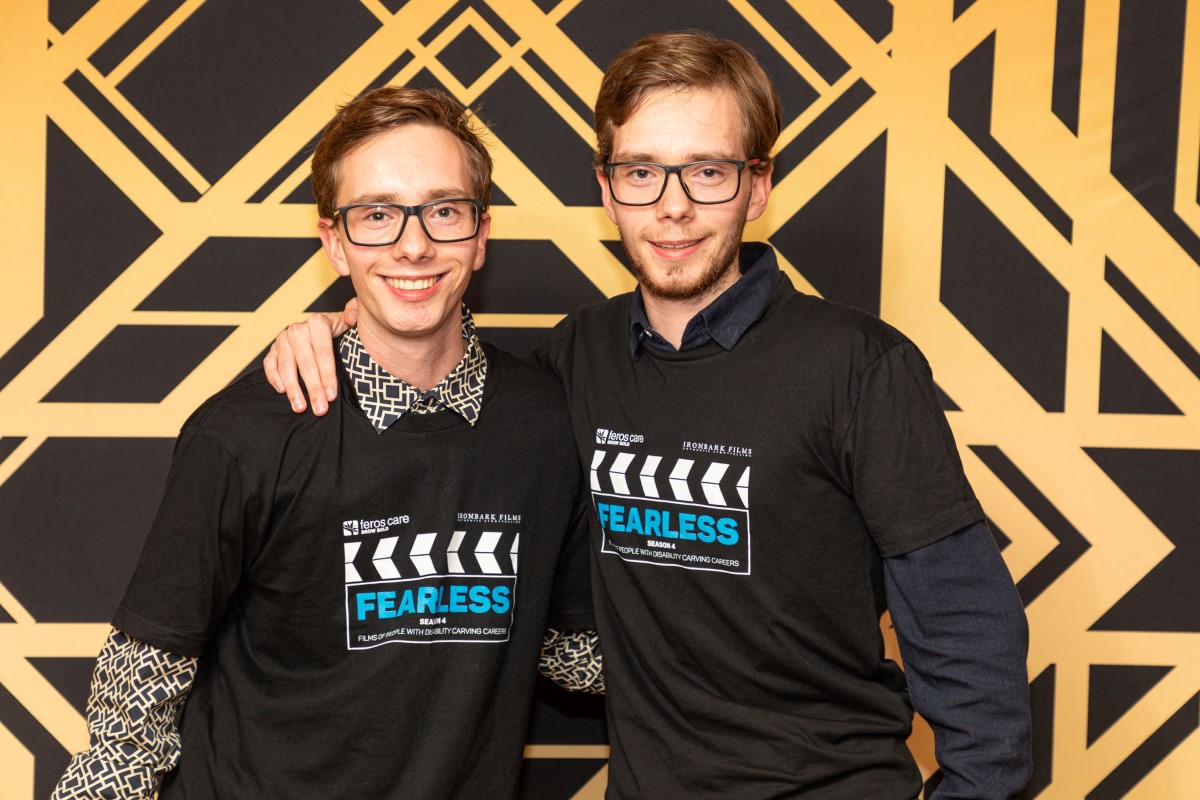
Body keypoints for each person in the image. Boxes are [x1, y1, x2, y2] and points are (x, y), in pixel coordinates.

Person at [266, 33, 1032, 799]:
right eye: (641, 172)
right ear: (607, 190)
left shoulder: (859, 367)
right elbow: (449, 393)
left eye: (706, 171)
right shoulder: (573, 363)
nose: (672, 206)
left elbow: (966, 625)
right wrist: (346, 328)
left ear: (757, 186)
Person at [52, 86, 599, 800]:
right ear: (334, 242)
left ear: (481, 232)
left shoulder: (549, 422)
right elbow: (138, 695)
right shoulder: (245, 433)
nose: (413, 243)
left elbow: (577, 647)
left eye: (443, 210)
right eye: (376, 215)